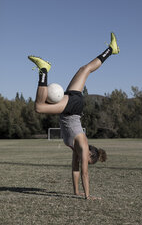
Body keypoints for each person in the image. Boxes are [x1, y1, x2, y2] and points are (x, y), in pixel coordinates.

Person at [28, 32, 120, 200]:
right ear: (90, 155)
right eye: (89, 161)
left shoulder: (76, 149)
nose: (85, 162)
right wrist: (87, 196)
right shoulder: (83, 147)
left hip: (74, 105)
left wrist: (77, 193)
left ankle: (111, 49)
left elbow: (75, 170)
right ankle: (43, 70)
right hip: (72, 108)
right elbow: (84, 173)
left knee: (85, 69)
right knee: (39, 107)